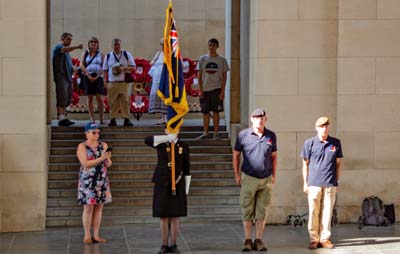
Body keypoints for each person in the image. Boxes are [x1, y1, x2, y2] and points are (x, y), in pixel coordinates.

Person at [232, 108, 277, 252]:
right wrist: (237, 175)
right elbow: (236, 155)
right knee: (247, 209)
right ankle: (247, 239)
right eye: (256, 118)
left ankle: (258, 239)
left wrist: (274, 175)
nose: (259, 120)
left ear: (266, 119)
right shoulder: (243, 135)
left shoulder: (271, 136)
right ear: (252, 119)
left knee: (262, 211)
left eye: (262, 118)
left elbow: (274, 157)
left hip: (266, 178)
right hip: (249, 177)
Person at [144, 131, 191, 254]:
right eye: (169, 129)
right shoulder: (161, 143)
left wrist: (187, 187)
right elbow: (147, 139)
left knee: (175, 215)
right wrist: (166, 138)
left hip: (178, 183)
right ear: (166, 131)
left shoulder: (183, 146)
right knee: (163, 215)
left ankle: (174, 244)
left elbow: (186, 167)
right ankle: (164, 244)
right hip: (162, 182)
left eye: (175, 129)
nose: (172, 132)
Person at [301, 116, 343, 250]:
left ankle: (325, 238)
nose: (324, 129)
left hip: (330, 182)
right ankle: (314, 239)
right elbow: (305, 164)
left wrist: (337, 180)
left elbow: (338, 164)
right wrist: (305, 183)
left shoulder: (335, 143)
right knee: (314, 211)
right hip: (314, 183)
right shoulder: (309, 143)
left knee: (327, 211)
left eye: (326, 126)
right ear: (316, 128)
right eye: (321, 127)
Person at [77, 122, 112, 244]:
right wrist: (100, 159)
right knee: (88, 207)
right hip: (87, 180)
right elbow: (85, 163)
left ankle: (96, 234)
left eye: (98, 132)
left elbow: (108, 164)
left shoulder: (103, 145)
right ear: (86, 133)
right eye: (93, 132)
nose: (96, 135)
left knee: (99, 206)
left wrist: (107, 157)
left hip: (101, 179)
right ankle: (87, 234)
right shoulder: (82, 146)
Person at [196, 38, 229, 140]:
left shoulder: (222, 60)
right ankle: (205, 132)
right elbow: (199, 75)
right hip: (205, 89)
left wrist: (222, 91)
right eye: (210, 45)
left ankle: (216, 133)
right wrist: (200, 90)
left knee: (216, 111)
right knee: (205, 112)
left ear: (217, 46)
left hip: (217, 89)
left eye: (213, 45)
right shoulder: (202, 59)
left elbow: (224, 77)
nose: (211, 47)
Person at [102, 38, 136, 127]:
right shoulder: (108, 56)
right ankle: (113, 119)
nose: (116, 46)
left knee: (125, 101)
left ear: (120, 45)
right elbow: (105, 70)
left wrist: (124, 68)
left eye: (118, 44)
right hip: (112, 82)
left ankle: (126, 118)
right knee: (112, 101)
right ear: (112, 45)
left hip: (124, 82)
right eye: (114, 44)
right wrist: (105, 82)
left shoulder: (126, 54)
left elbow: (133, 68)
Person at [52, 32, 83, 126]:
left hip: (68, 77)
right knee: (62, 96)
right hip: (61, 77)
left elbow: (70, 66)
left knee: (67, 98)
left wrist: (74, 68)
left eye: (71, 39)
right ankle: (61, 118)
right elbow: (64, 49)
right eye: (68, 39)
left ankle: (64, 117)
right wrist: (77, 47)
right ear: (63, 39)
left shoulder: (68, 54)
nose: (70, 41)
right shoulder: (59, 47)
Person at [80, 36, 105, 124]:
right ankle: (92, 118)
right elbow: (81, 65)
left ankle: (102, 118)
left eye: (95, 42)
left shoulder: (101, 54)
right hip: (88, 77)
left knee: (99, 98)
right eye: (91, 42)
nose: (93, 43)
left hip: (98, 77)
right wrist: (88, 75)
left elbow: (104, 66)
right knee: (89, 97)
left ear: (98, 44)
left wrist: (97, 76)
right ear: (89, 44)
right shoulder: (85, 53)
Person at [148, 38, 168, 124]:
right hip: (157, 78)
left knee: (166, 96)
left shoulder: (171, 54)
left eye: (164, 44)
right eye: (161, 44)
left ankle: (167, 117)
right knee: (159, 97)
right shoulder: (158, 53)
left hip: (166, 78)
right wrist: (154, 60)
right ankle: (163, 117)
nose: (163, 46)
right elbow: (151, 63)